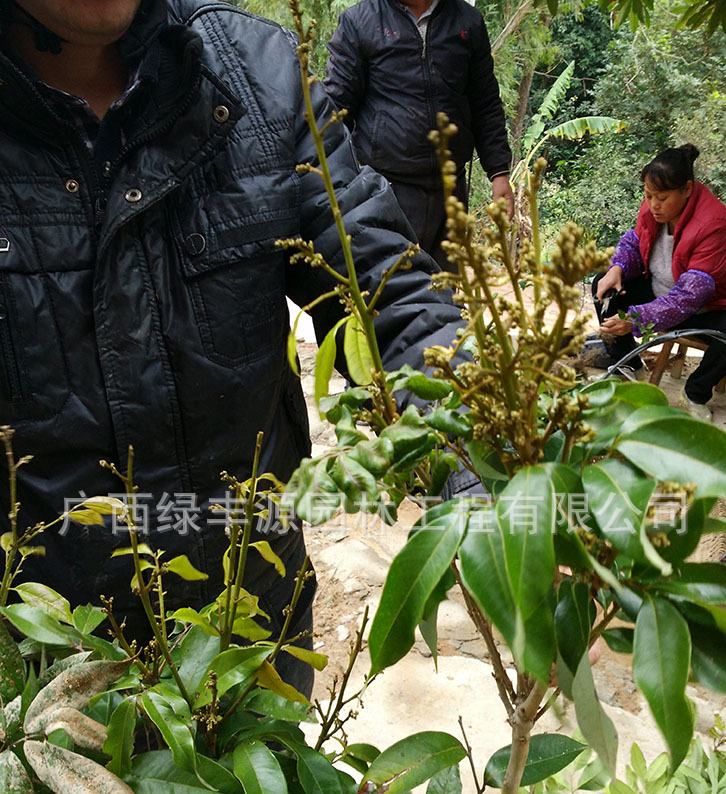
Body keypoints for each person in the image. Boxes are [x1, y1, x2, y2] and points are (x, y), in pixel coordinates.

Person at [0, 0, 467, 697]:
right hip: (54, 670)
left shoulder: (257, 73)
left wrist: (475, 435)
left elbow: (384, 285)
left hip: (254, 625)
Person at [324, 0, 514, 271]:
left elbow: (485, 103)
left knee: (443, 289)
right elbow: (335, 110)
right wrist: (332, 183)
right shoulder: (360, 21)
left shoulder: (467, 21)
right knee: (389, 287)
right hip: (384, 191)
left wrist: (499, 172)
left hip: (450, 194)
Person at [594, 143, 726, 419]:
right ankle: (628, 363)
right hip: (662, 293)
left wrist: (635, 319)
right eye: (648, 195)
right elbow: (635, 241)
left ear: (687, 189)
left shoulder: (715, 225)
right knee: (603, 284)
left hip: (711, 308)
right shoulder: (654, 208)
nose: (653, 204)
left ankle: (696, 392)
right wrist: (617, 267)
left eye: (662, 197)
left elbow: (689, 298)